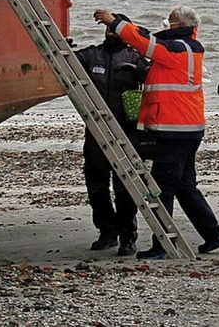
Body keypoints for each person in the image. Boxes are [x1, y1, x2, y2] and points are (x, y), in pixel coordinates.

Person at [94, 5, 219, 260]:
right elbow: (147, 37)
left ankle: (162, 245)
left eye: (170, 21)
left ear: (180, 25)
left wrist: (114, 23)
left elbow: (144, 42)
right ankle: (213, 235)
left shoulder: (178, 49)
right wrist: (121, 22)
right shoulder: (185, 48)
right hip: (186, 128)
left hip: (175, 129)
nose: (165, 24)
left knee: (162, 189)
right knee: (185, 187)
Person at [75, 13, 147, 256]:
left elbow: (152, 78)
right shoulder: (92, 55)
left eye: (115, 29)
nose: (111, 33)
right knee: (96, 184)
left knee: (125, 186)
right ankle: (107, 231)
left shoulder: (135, 57)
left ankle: (128, 235)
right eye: (108, 29)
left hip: (126, 130)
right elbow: (67, 63)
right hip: (95, 130)